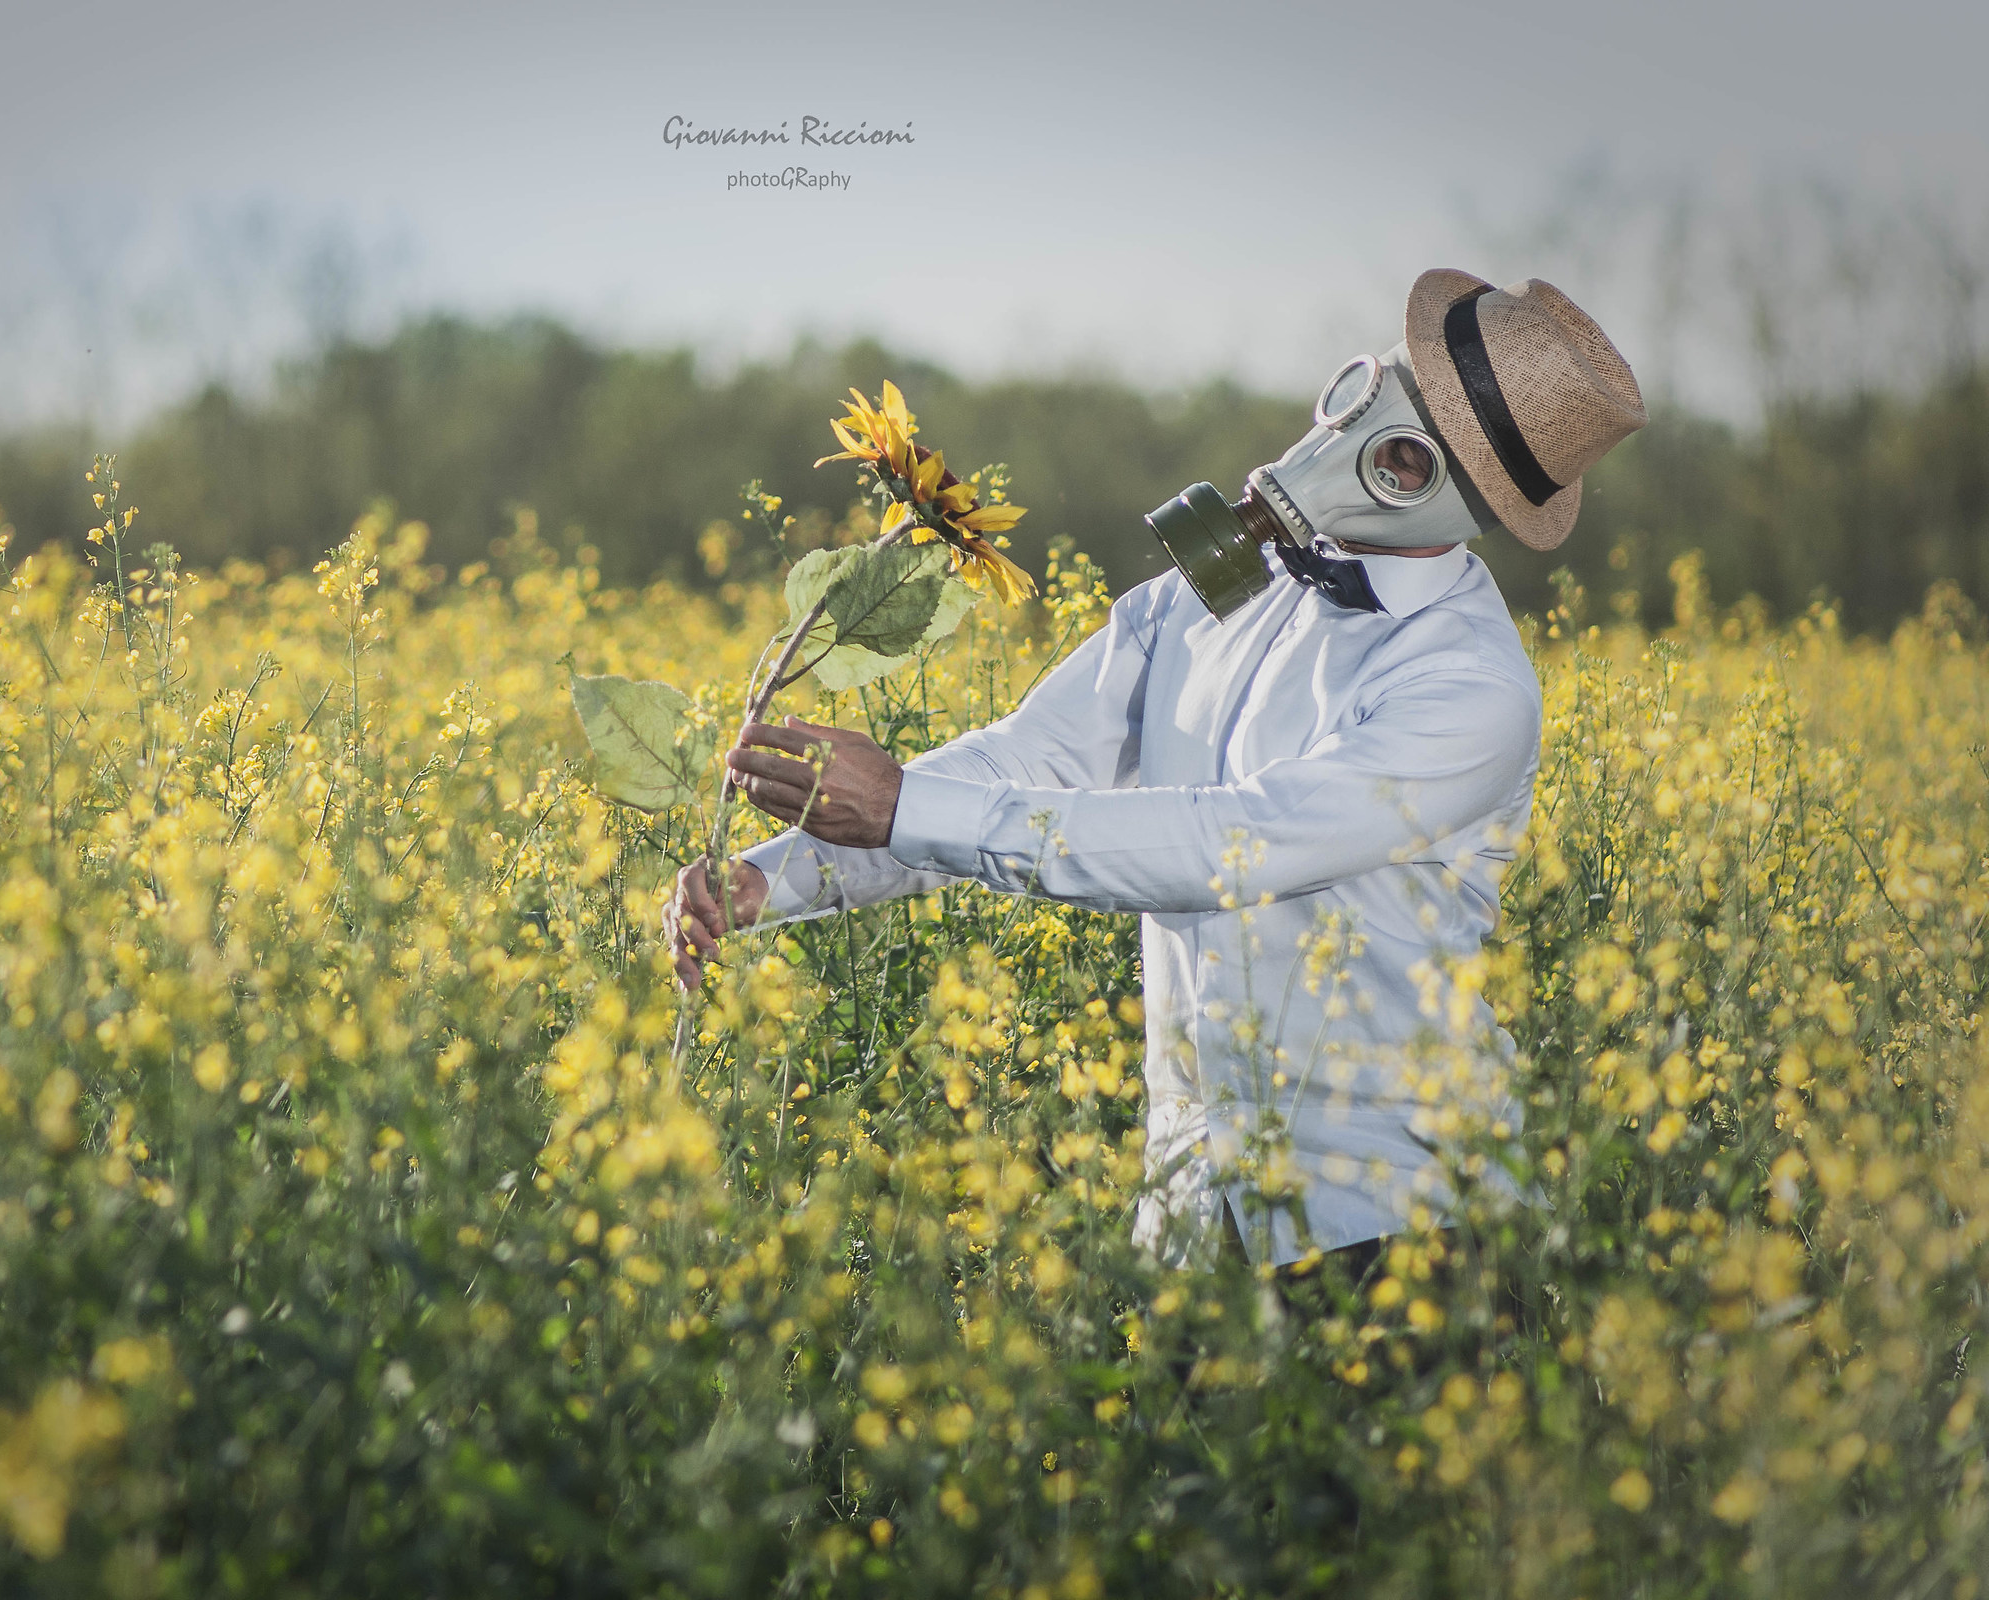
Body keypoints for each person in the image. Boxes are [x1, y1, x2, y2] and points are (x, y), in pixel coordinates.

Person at [664, 269, 1647, 1274]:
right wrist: (774, 878)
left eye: (1392, 445)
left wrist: (904, 803)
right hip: (1190, 1214)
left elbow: (1231, 843)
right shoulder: (1205, 595)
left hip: (1396, 1223)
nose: (1332, 447)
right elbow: (1027, 757)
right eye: (1358, 395)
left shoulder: (1467, 683)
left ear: (1441, 488)